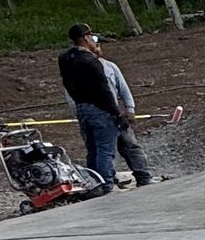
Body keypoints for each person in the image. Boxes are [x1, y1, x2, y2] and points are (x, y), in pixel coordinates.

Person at [56, 23, 126, 193]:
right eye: (93, 38)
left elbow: (67, 84)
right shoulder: (91, 61)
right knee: (105, 149)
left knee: (92, 149)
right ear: (86, 38)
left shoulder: (65, 59)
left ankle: (92, 184)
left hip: (81, 107)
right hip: (100, 109)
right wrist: (116, 114)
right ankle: (106, 184)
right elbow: (104, 91)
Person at [97, 41, 153, 188]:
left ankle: (143, 176)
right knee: (104, 151)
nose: (97, 49)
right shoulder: (80, 70)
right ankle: (106, 183)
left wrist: (130, 109)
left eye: (98, 46)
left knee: (131, 145)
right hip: (98, 116)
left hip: (116, 114)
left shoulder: (110, 67)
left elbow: (124, 89)